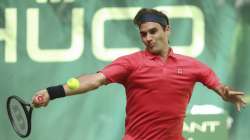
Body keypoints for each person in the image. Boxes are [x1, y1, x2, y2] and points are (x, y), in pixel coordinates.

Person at [32, 8, 246, 140]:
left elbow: (219, 88)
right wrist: (52, 92)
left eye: (153, 31)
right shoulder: (131, 63)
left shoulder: (193, 67)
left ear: (167, 30)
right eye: (143, 34)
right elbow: (94, 80)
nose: (148, 38)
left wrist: (224, 93)